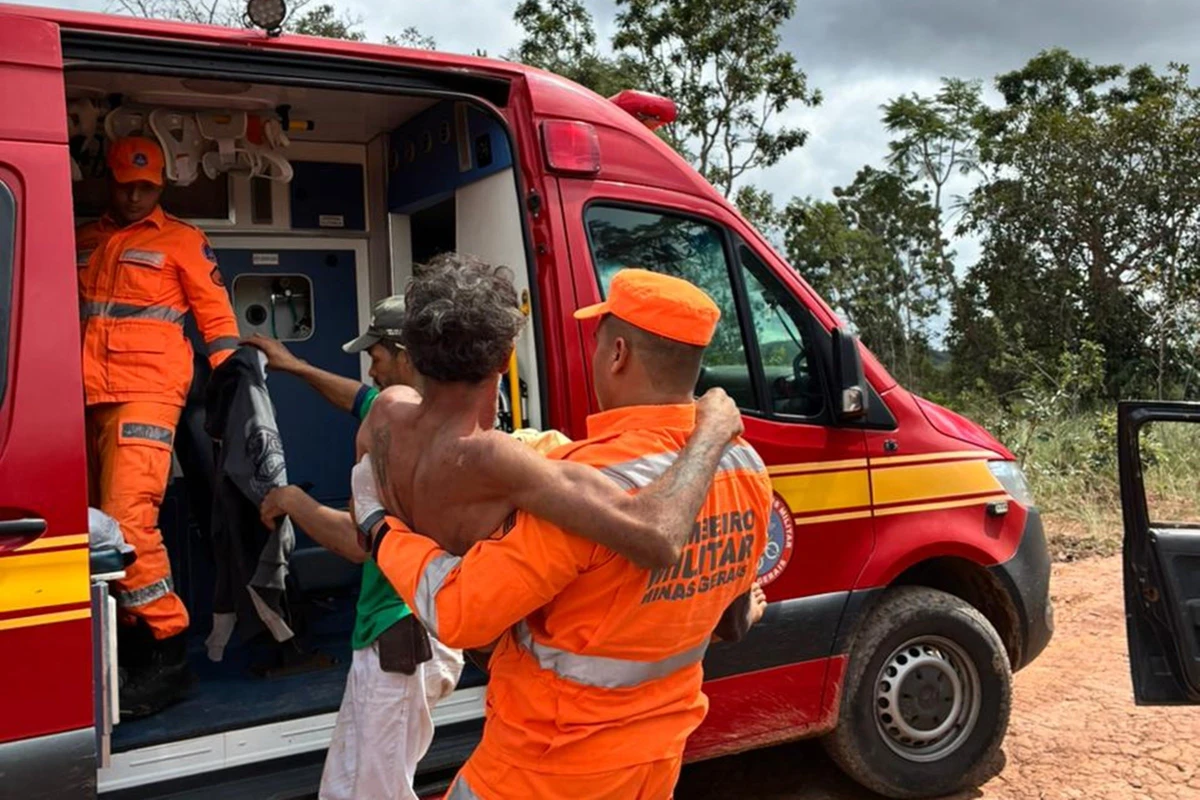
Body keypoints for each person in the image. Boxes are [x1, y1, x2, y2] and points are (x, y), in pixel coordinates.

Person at [250, 281, 740, 800]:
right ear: (503, 358)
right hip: (634, 752)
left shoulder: (387, 422)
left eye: (376, 356)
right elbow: (695, 578)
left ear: (411, 355)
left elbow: (451, 604)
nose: (370, 370)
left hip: (458, 682)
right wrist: (710, 433)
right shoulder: (505, 459)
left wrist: (359, 517)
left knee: (365, 787)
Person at [76, 135, 241, 718]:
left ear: (161, 186)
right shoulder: (86, 239)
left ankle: (168, 651)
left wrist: (236, 395)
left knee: (126, 520)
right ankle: (128, 643)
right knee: (91, 528)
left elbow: (217, 320)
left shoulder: (182, 240)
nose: (135, 196)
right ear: (110, 181)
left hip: (148, 392)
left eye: (146, 187)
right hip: (85, 395)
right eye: (127, 185)